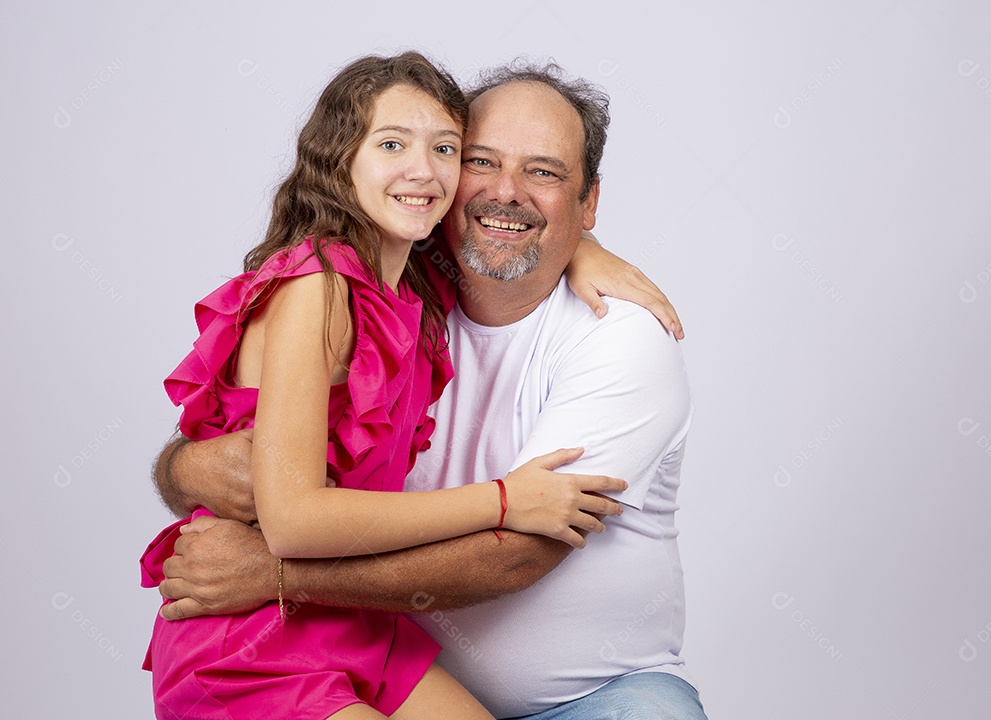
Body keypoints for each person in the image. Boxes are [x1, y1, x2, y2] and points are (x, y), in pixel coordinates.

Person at [153, 61, 707, 719]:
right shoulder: (361, 292)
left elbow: (513, 558)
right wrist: (183, 466)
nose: (506, 192)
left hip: (575, 691)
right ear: (340, 163)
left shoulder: (442, 303)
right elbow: (262, 472)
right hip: (274, 644)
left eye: (545, 172)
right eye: (481, 160)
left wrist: (582, 247)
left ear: (588, 202)